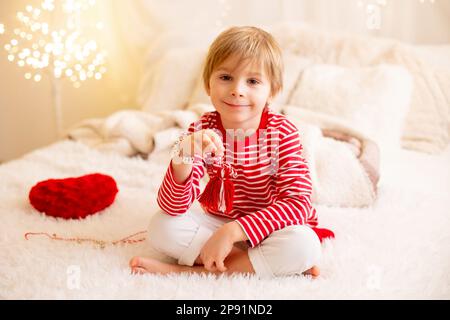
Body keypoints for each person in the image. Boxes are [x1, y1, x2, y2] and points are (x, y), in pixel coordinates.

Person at [130, 26, 322, 278]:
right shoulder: (202, 130)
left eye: (252, 81)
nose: (237, 90)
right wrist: (182, 158)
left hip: (272, 227)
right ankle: (247, 263)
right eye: (225, 77)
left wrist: (233, 232)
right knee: (161, 226)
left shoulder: (282, 132)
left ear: (272, 92)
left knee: (303, 244)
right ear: (208, 84)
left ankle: (192, 272)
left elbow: (297, 204)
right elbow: (172, 206)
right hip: (220, 223)